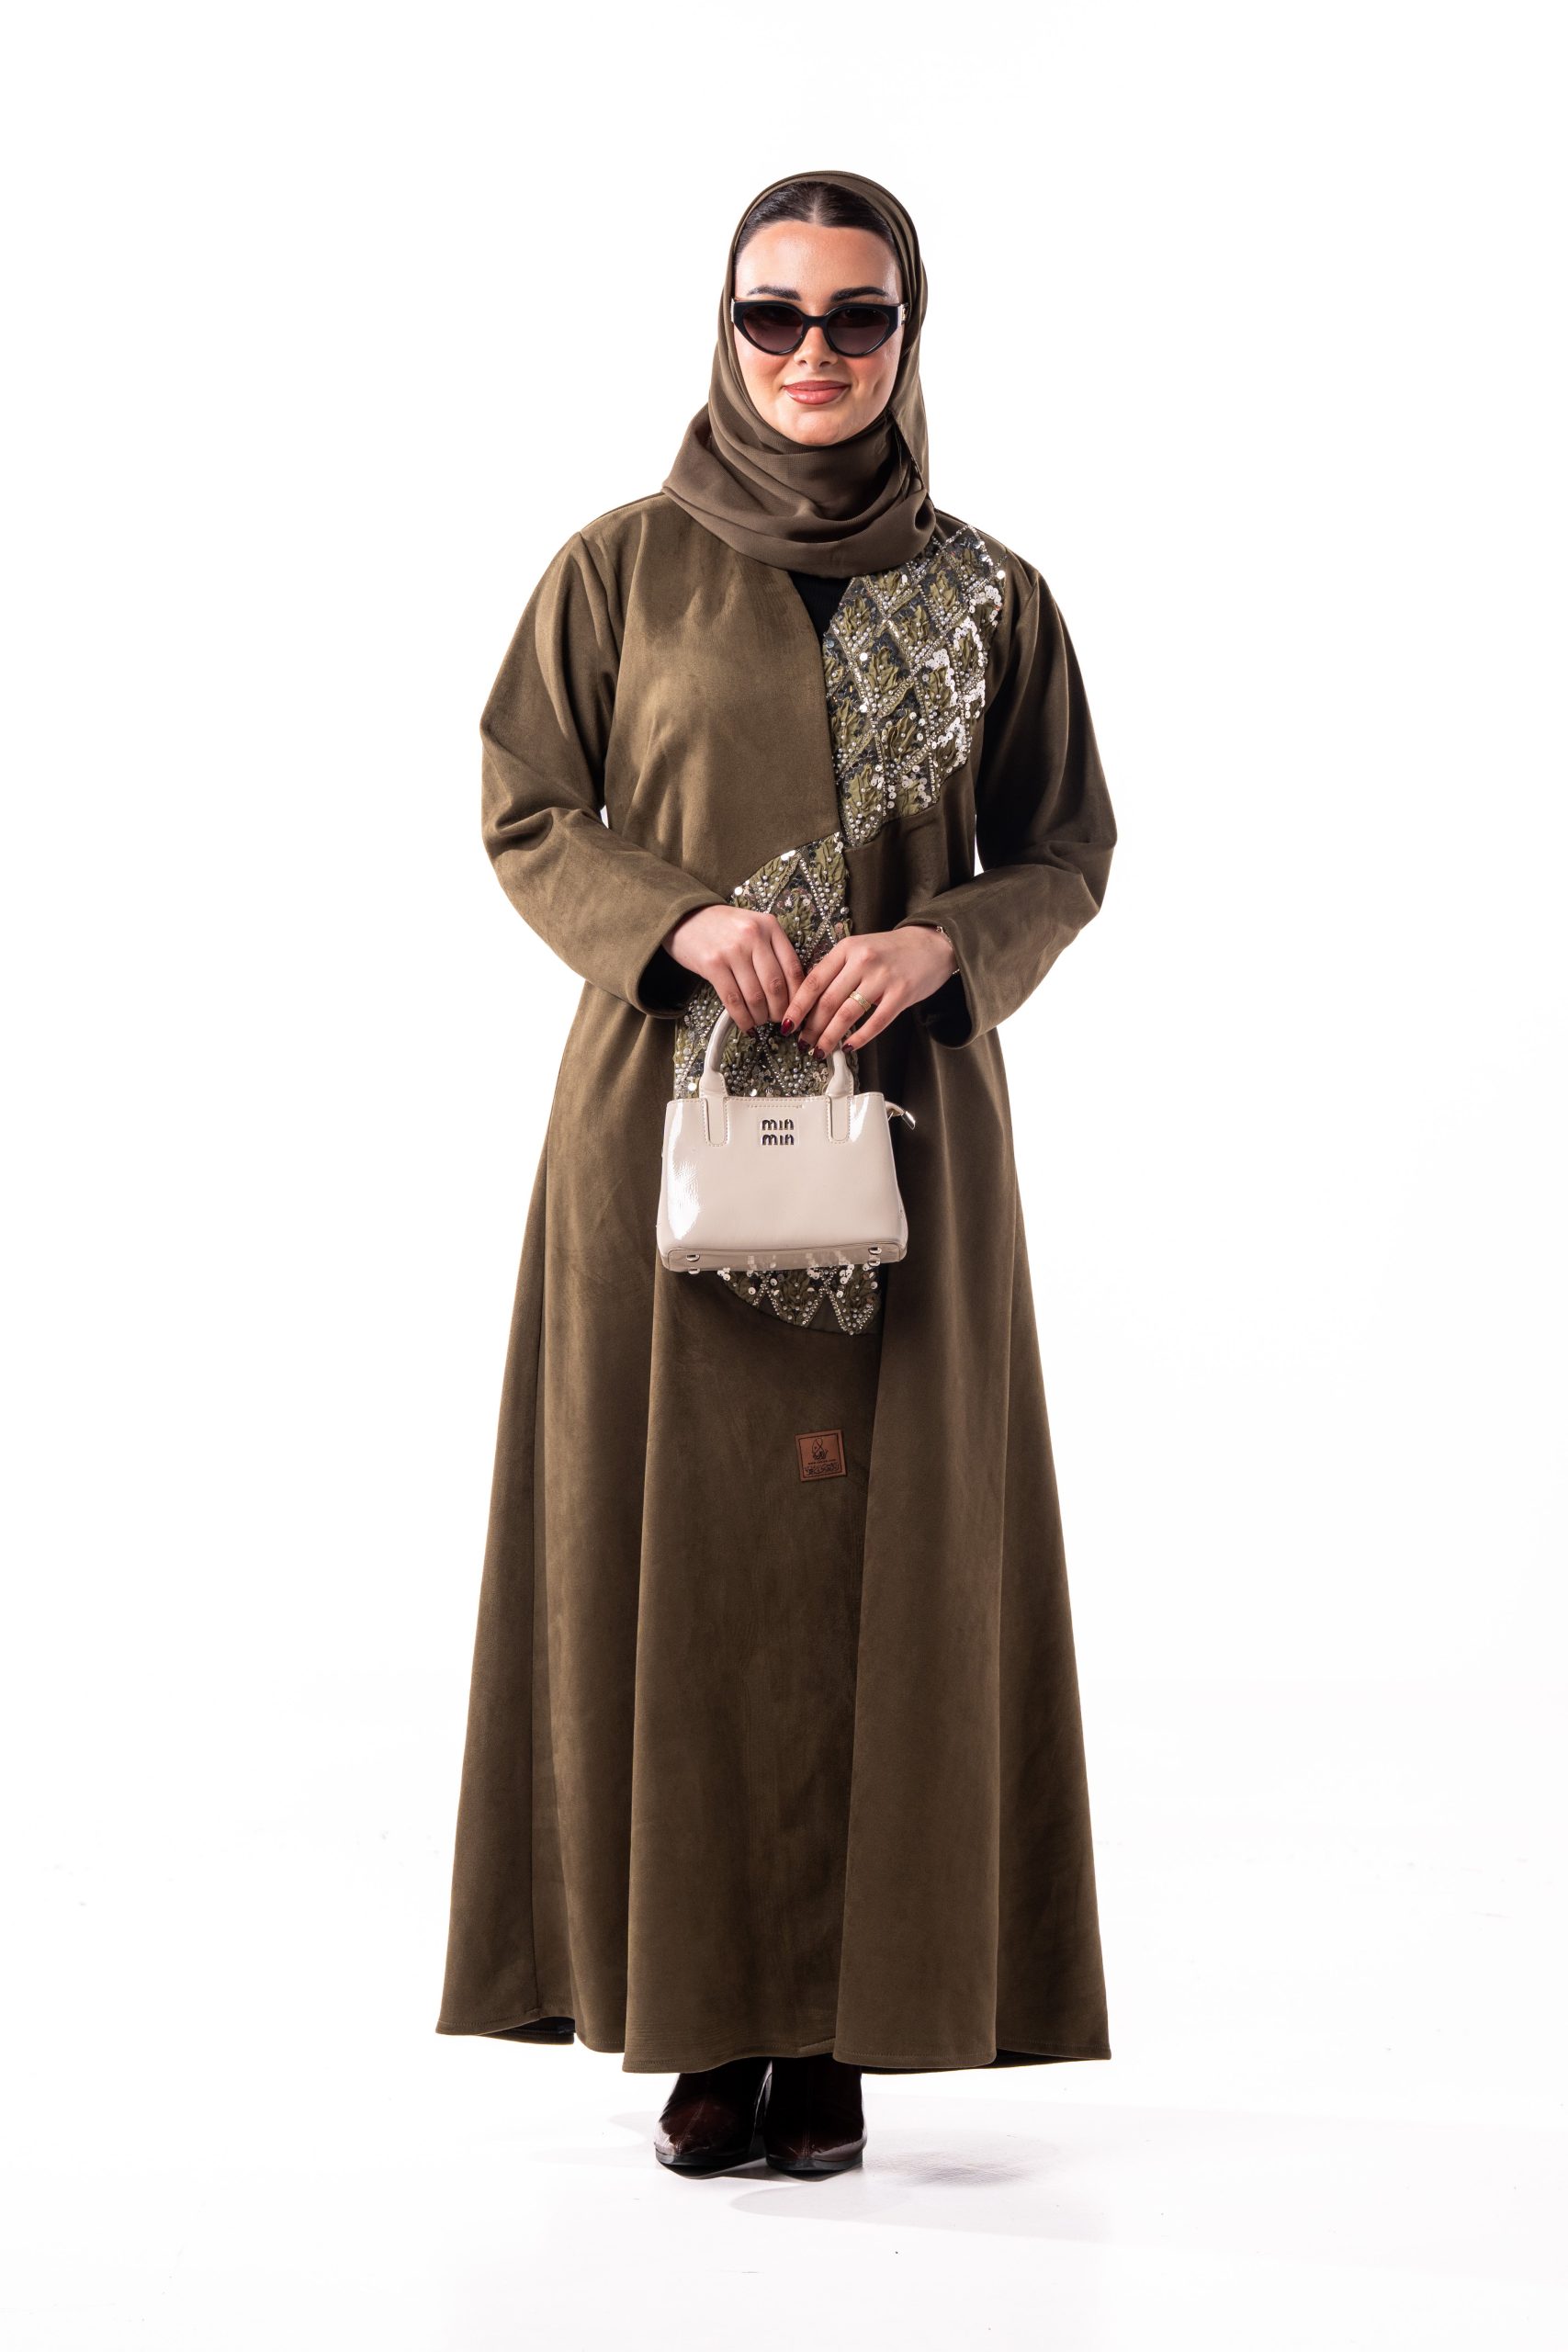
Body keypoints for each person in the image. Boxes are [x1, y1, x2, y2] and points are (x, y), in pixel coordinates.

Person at [435, 166, 1119, 2180]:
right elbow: (527, 805)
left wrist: (946, 947)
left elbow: (1066, 845)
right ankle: (698, 2019)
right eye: (773, 314)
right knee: (676, 1564)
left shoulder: (992, 595)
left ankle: (841, 2032)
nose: (813, 353)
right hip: (659, 1153)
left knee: (884, 1566)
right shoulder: (617, 573)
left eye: (856, 315)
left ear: (909, 333)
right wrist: (671, 916)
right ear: (723, 327)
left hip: (898, 1142)